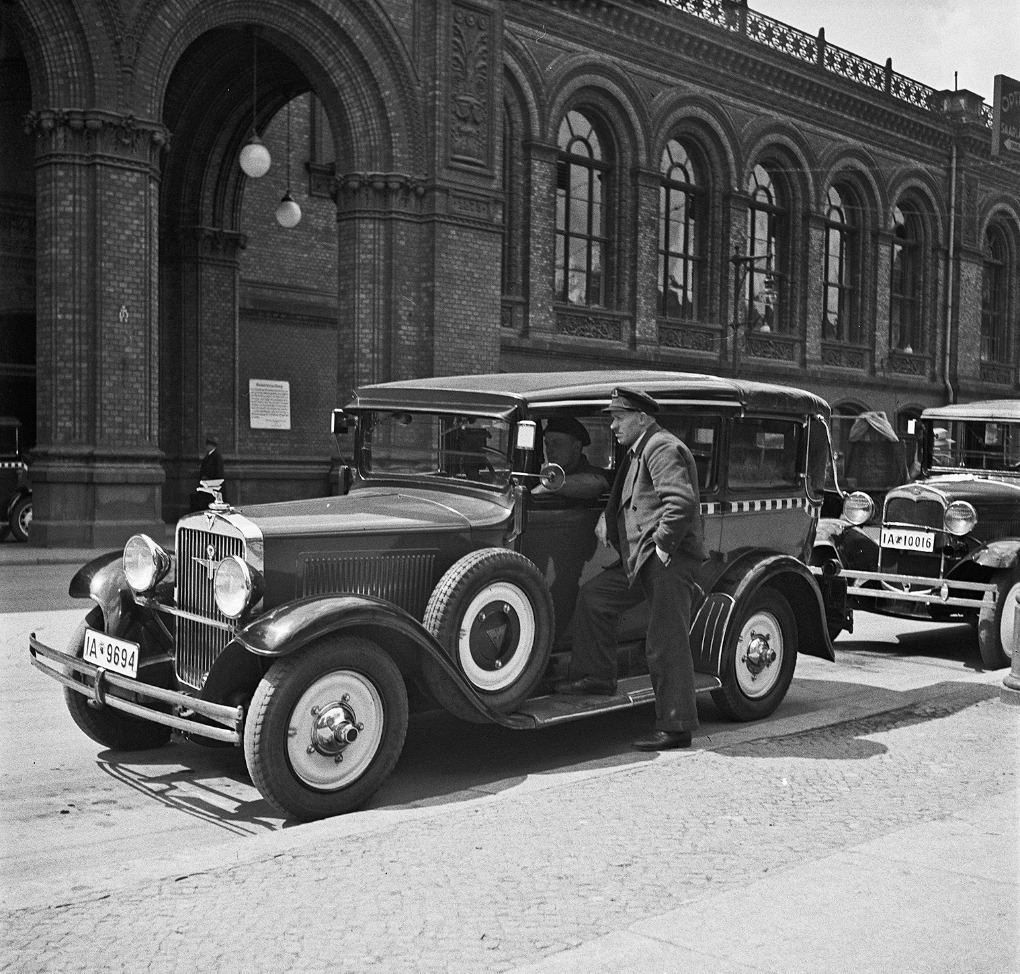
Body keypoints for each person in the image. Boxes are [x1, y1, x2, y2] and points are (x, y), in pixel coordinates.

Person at [554, 387, 708, 751]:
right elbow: (625, 493)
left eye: (618, 417)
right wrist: (608, 519)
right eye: (612, 417)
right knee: (595, 598)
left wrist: (664, 546)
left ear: (641, 417)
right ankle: (596, 677)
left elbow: (681, 502)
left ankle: (676, 726)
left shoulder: (661, 447)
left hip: (665, 561)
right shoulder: (641, 447)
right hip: (642, 559)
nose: (613, 425)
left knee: (665, 641)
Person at [532, 416, 609, 502]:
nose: (549, 450)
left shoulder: (593, 474)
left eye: (556, 443)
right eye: (547, 444)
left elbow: (597, 483)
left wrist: (547, 487)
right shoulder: (548, 475)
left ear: (576, 447)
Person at [190, 435, 225, 511]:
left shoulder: (216, 456)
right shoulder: (209, 455)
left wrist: (208, 478)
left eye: (207, 445)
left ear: (211, 446)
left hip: (212, 485)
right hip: (206, 485)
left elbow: (218, 473)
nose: (206, 447)